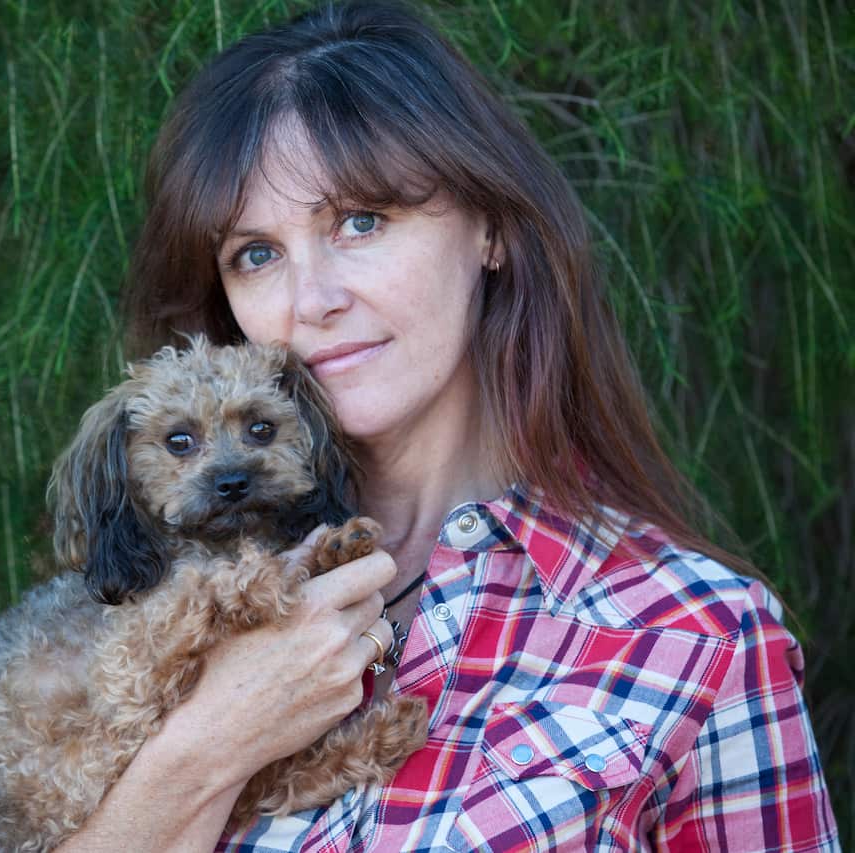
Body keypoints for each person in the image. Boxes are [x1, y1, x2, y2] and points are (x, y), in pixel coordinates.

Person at [44, 2, 839, 850]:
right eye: (257, 253)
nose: (312, 300)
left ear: (490, 226)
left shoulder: (697, 638)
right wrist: (204, 751)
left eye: (361, 220)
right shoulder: (141, 611)